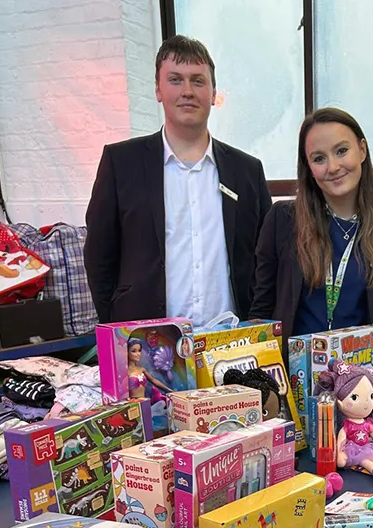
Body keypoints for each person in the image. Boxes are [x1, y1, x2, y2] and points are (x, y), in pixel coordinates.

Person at [84, 35, 272, 325]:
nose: (187, 91)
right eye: (175, 80)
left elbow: (267, 258)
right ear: (158, 90)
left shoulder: (247, 171)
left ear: (213, 93)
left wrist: (259, 318)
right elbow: (99, 255)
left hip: (232, 338)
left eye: (198, 81)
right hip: (145, 339)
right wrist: (116, 323)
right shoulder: (120, 163)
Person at [249, 107, 373, 399]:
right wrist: (261, 393)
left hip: (362, 398)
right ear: (308, 168)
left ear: (362, 150)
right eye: (319, 158)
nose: (333, 166)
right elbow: (261, 315)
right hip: (291, 393)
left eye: (341, 151)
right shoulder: (282, 222)